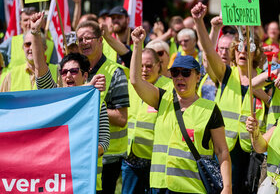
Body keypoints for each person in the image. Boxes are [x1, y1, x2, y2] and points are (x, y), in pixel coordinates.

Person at [129, 26, 231, 193]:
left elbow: (222, 151)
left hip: (192, 188)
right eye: (175, 73)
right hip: (160, 186)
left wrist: (227, 187)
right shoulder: (163, 99)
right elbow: (135, 81)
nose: (180, 77)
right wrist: (137, 44)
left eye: (185, 73)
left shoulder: (210, 109)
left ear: (198, 77)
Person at [29, 12, 110, 193]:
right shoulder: (55, 98)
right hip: (54, 180)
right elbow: (41, 69)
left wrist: (75, 151)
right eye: (64, 72)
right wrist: (35, 33)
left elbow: (103, 143)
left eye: (74, 71)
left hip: (85, 181)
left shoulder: (97, 103)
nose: (68, 75)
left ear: (85, 75)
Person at [192, 2, 268, 193]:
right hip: (225, 147)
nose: (243, 51)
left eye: (248, 47)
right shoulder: (226, 74)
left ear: (256, 52)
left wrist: (262, 94)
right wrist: (199, 22)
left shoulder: (267, 79)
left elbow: (274, 109)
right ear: (234, 51)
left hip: (254, 148)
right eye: (239, 47)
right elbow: (209, 51)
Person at [76, 20, 129, 194]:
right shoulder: (74, 72)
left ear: (100, 41)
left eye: (88, 38)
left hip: (108, 157)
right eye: (80, 39)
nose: (84, 42)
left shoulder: (116, 72)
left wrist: (90, 108)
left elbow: (121, 119)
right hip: (81, 153)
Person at [123, 47, 173, 194]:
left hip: (156, 160)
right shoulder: (130, 85)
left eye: (149, 66)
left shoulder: (170, 88)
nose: (144, 70)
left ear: (159, 65)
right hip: (131, 158)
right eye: (141, 66)